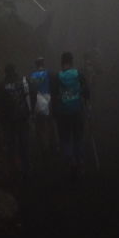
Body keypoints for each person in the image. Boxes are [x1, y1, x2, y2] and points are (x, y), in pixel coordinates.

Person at [51, 50, 89, 179]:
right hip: (77, 111)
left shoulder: (57, 77)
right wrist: (86, 100)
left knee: (65, 139)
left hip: (63, 114)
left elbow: (54, 96)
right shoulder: (78, 74)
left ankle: (69, 162)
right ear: (72, 62)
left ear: (62, 63)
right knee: (78, 138)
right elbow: (86, 90)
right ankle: (80, 163)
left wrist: (54, 112)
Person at [0, 63, 31, 180]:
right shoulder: (22, 82)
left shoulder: (1, 85)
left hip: (8, 120)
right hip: (22, 117)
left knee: (10, 144)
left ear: (5, 72)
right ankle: (26, 169)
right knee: (23, 143)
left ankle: (12, 169)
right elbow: (29, 96)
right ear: (15, 71)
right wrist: (30, 112)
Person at [28, 55, 56, 160]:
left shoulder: (32, 76)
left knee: (40, 127)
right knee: (50, 124)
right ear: (43, 64)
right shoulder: (48, 73)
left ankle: (43, 149)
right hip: (48, 102)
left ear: (36, 65)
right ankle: (52, 145)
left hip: (37, 104)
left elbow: (31, 91)